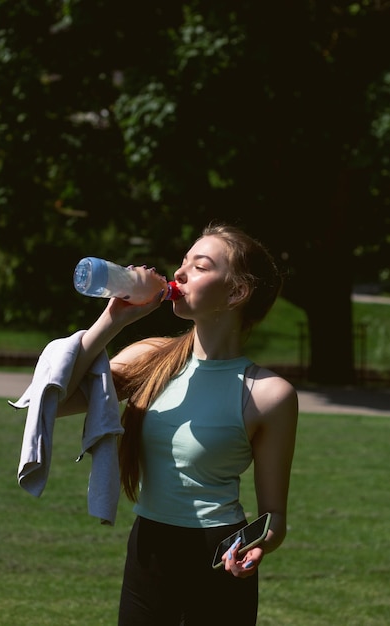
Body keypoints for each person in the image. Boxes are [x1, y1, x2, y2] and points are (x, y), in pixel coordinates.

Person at [59, 222, 298, 626]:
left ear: (236, 292)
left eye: (200, 266)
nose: (180, 273)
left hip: (219, 560)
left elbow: (273, 515)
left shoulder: (270, 394)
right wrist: (113, 321)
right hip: (148, 552)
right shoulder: (149, 357)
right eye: (183, 262)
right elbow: (54, 399)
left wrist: (257, 547)